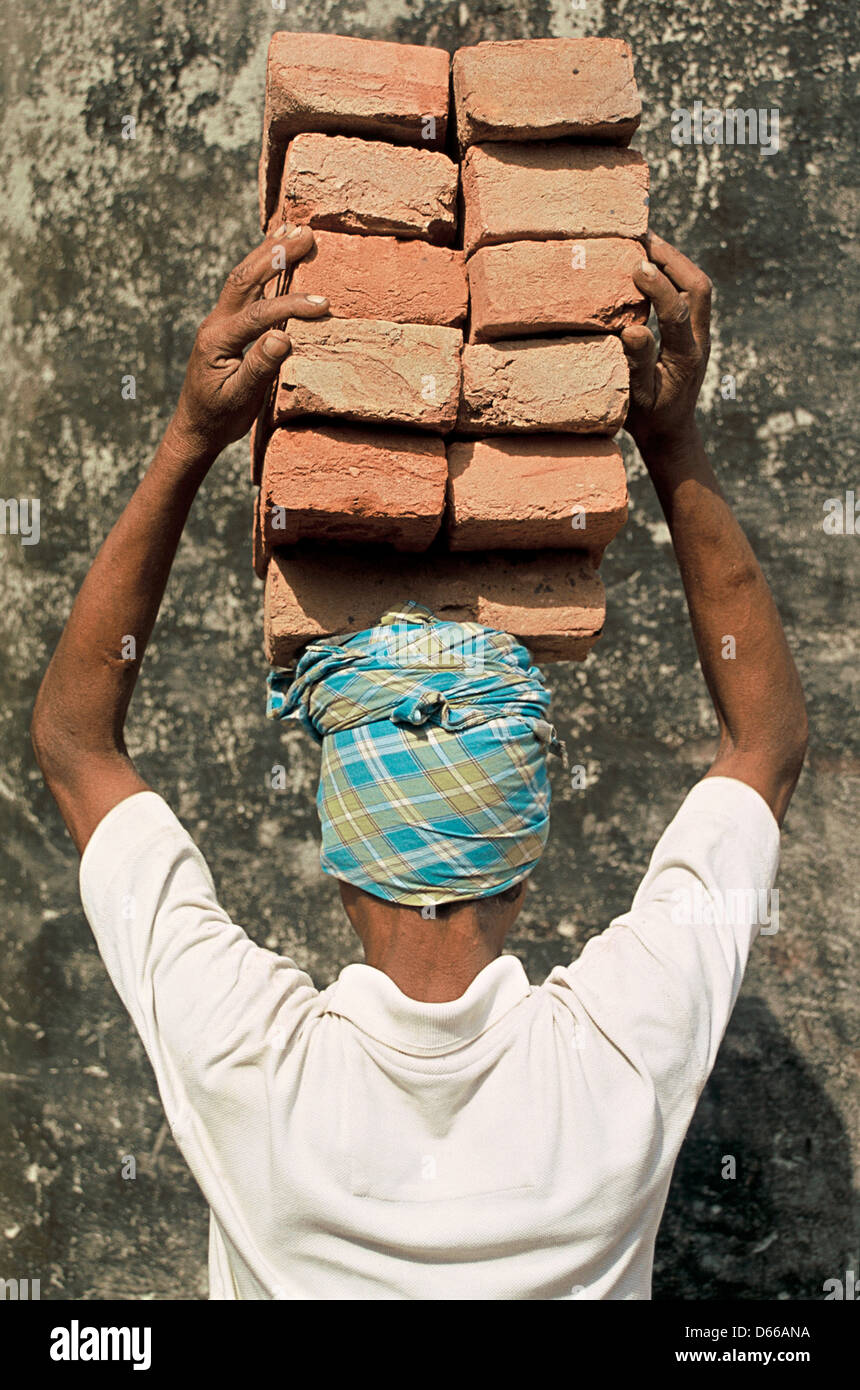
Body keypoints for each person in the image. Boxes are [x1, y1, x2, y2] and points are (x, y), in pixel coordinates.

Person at [31, 224, 808, 1300]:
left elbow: (74, 742)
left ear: (339, 853)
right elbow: (761, 744)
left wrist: (188, 439)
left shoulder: (252, 1071)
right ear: (525, 847)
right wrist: (672, 444)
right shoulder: (613, 1069)